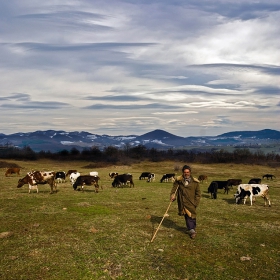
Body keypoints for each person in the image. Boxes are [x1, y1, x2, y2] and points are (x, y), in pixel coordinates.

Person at [170, 165, 201, 239]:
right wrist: (172, 195)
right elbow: (174, 190)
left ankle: (192, 229)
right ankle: (192, 229)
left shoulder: (195, 182)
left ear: (190, 172)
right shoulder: (179, 181)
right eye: (185, 172)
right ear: (183, 172)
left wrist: (195, 203)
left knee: (191, 215)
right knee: (187, 216)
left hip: (191, 202)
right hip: (182, 202)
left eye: (187, 172)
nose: (186, 173)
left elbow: (198, 194)